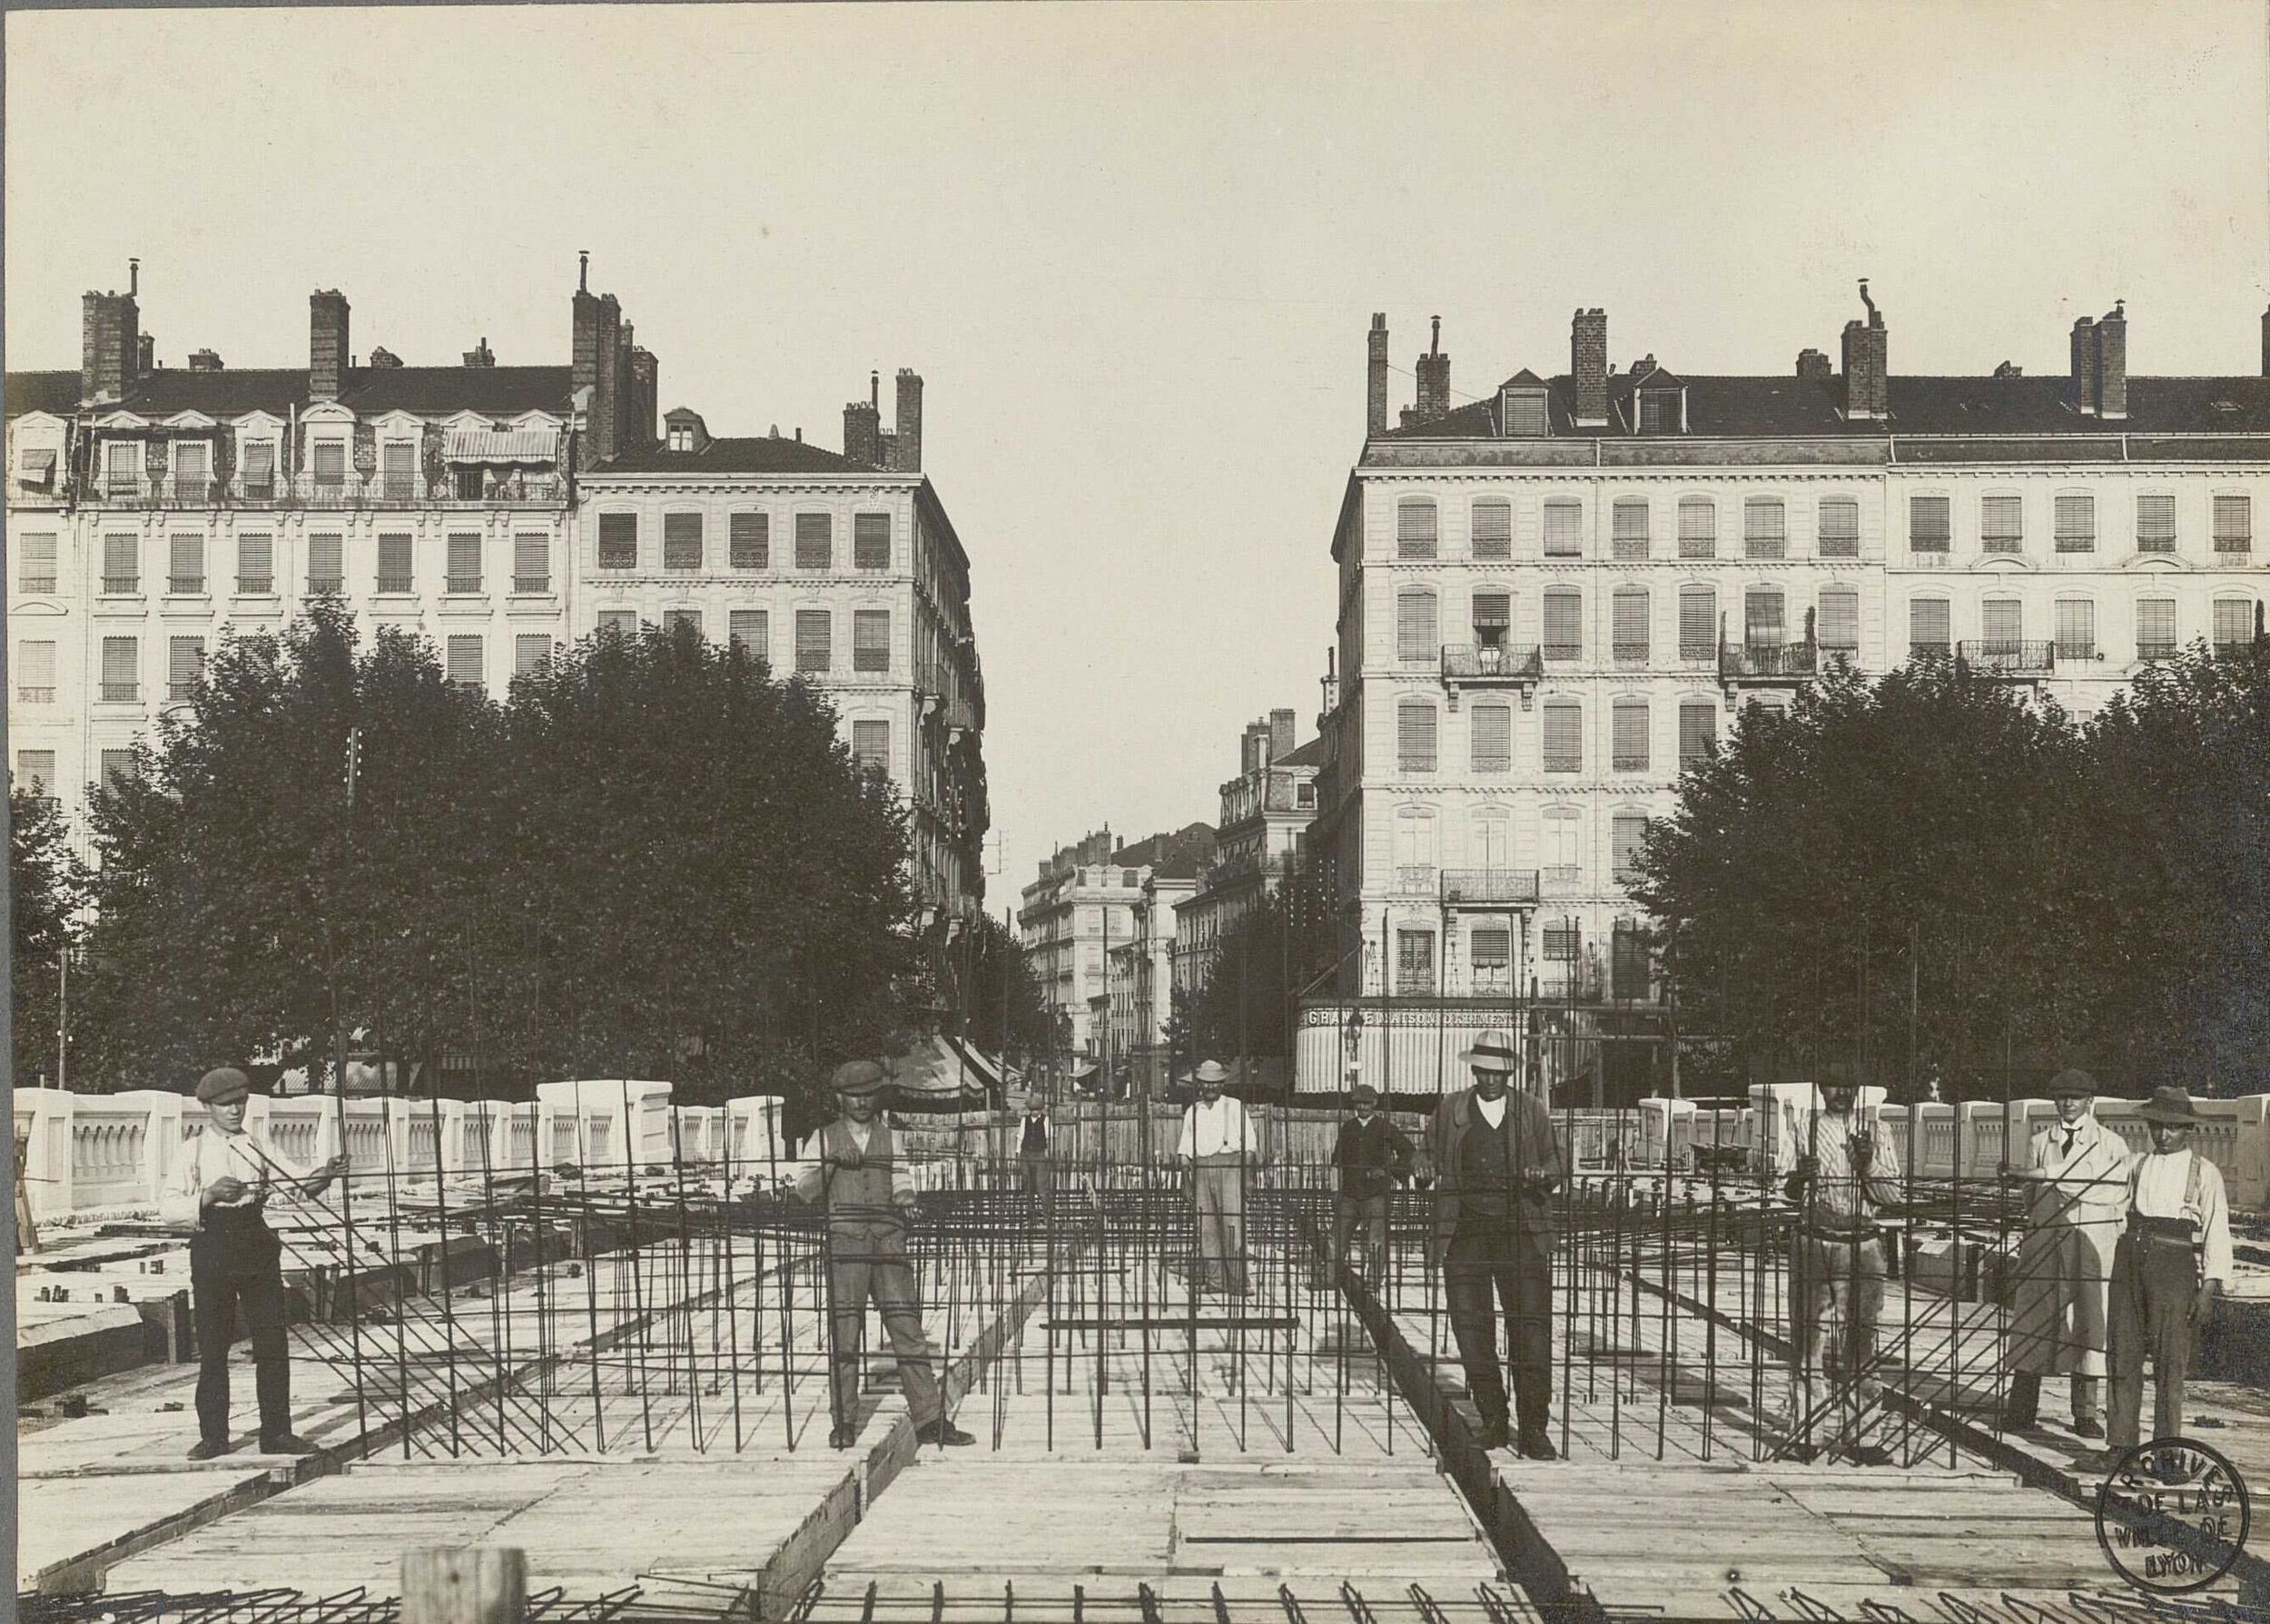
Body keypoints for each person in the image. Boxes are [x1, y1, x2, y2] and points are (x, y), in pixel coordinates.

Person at [158, 1067, 348, 1460]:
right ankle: (213, 1436)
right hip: (212, 1248)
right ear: (208, 1107)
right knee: (213, 1346)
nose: (234, 1111)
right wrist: (209, 1195)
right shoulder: (192, 1151)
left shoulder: (259, 1147)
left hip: (257, 1245)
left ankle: (277, 1433)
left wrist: (326, 1174)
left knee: (272, 1342)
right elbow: (168, 1208)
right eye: (225, 1105)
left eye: (240, 1103)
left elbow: (295, 1188)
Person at [794, 1058, 974, 1451]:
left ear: (877, 1096)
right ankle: (844, 1421)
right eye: (853, 1096)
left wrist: (907, 1200)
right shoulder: (823, 1138)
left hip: (888, 1240)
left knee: (907, 1330)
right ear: (840, 1098)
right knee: (845, 1334)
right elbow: (805, 1191)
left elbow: (902, 1181)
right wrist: (831, 1163)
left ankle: (930, 1420)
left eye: (868, 1095)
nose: (861, 1102)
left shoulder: (890, 1137)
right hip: (846, 1243)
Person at [1415, 1029, 1564, 1459]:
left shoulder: (1530, 1110)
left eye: (1498, 1072)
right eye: (1483, 1071)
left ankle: (1533, 1426)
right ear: (1474, 1069)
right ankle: (1493, 1420)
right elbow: (1424, 1154)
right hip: (1465, 1232)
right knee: (1472, 1328)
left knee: (1531, 1329)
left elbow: (1557, 1160)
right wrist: (1422, 1165)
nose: (1490, 1079)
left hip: (1522, 1231)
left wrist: (1543, 1174)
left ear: (1509, 1072)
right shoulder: (1451, 1109)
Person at [2097, 1086, 2232, 1464]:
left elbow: (2215, 1232)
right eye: (2157, 1126)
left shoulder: (2204, 1172)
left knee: (2171, 1362)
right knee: (2122, 1352)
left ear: (2187, 1129)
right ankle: (2121, 1445)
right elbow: (2095, 1188)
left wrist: (2208, 1288)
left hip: (2174, 1267)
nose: (2163, 1135)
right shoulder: (2136, 1165)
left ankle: (2167, 1451)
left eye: (2172, 1127)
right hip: (2129, 1261)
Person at [1777, 1074, 1902, 1466]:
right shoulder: (1803, 1129)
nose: (1842, 1093)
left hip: (1862, 1244)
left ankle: (1863, 1435)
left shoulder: (1876, 1131)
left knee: (1862, 1343)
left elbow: (1892, 1196)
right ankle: (1808, 1432)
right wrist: (1800, 1179)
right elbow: (1783, 1189)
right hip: (1814, 1241)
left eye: (1849, 1084)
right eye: (1833, 1084)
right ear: (1820, 1087)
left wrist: (1866, 1166)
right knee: (1808, 1340)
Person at [2001, 1068, 2126, 1438]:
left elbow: (2109, 1193)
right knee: (2033, 1319)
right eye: (2062, 1097)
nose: (2069, 1103)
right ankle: (2021, 1408)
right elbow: (2030, 1198)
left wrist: (2042, 1176)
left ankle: (2085, 1412)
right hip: (2045, 1242)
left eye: (2077, 1097)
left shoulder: (2111, 1144)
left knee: (2088, 1322)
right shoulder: (2040, 1141)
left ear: (2091, 1101)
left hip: (2090, 1243)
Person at [1175, 1059, 1261, 1295]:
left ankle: (1239, 1283)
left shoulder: (1234, 1107)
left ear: (1222, 1084)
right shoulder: (1193, 1111)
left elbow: (1250, 1148)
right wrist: (1186, 1183)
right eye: (1205, 1084)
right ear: (1199, 1085)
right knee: (1207, 1229)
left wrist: (1248, 1178)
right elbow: (1185, 1151)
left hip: (1231, 1168)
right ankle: (1215, 1282)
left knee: (1233, 1226)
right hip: (1202, 1171)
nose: (1210, 1088)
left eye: (1214, 1083)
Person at [1316, 1083, 1411, 1289]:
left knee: (1376, 1240)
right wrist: (1335, 1190)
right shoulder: (1348, 1128)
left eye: (1367, 1103)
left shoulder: (1386, 1128)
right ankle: (1329, 1279)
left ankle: (1373, 1281)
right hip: (1349, 1194)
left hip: (1376, 1195)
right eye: (1359, 1103)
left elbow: (1409, 1152)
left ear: (1375, 1103)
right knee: (1336, 1238)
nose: (1363, 1107)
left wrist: (1388, 1169)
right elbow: (1337, 1162)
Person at [1019, 1102, 1052, 1197]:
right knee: (1027, 1181)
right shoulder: (1025, 1120)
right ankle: (1031, 1209)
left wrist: (1047, 1151)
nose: (1035, 1112)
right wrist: (1018, 1152)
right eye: (1033, 1110)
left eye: (1037, 1110)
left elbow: (1049, 1137)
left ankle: (1046, 1210)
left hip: (1039, 1154)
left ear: (1040, 1110)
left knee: (1040, 1183)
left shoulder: (1045, 1120)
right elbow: (1021, 1136)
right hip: (1026, 1153)